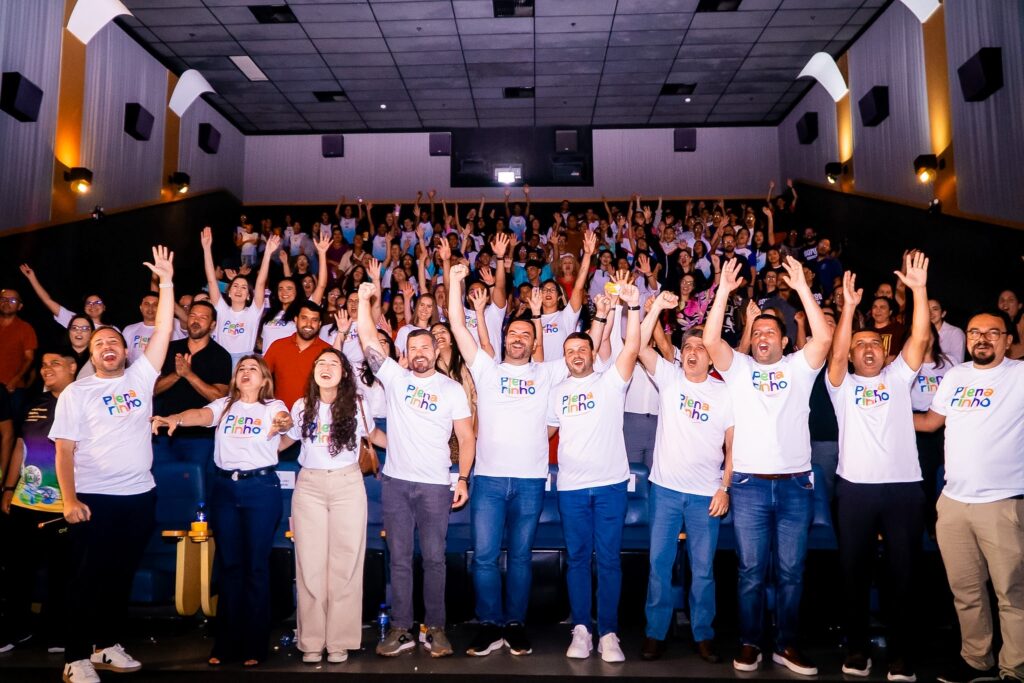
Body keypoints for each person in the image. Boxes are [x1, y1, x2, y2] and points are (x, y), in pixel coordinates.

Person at [49, 246, 176, 683]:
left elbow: (162, 331)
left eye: (114, 342)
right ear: (90, 354)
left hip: (139, 497)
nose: (107, 346)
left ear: (126, 351)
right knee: (86, 579)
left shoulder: (141, 376)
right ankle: (75, 657)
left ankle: (106, 646)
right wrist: (69, 500)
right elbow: (62, 451)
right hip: (93, 499)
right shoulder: (76, 394)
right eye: (100, 343)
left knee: (120, 576)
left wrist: (167, 282)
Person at [703, 255, 833, 676]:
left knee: (792, 572)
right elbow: (709, 343)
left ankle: (787, 645)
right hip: (749, 485)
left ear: (783, 339)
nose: (762, 337)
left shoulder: (799, 369)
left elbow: (825, 339)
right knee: (751, 572)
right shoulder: (738, 369)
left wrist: (801, 292)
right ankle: (749, 643)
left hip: (796, 485)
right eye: (757, 331)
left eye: (769, 332)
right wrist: (723, 290)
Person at [826, 253, 931, 681]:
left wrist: (919, 291)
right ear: (851, 355)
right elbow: (833, 357)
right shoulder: (842, 385)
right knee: (853, 572)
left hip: (904, 489)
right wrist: (848, 308)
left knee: (903, 573)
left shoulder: (898, 378)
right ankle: (856, 649)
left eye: (875, 344)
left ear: (884, 352)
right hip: (855, 490)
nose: (868, 349)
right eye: (859, 345)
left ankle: (901, 654)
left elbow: (920, 340)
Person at [356, 282, 474, 659]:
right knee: (400, 558)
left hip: (436, 485)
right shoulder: (395, 378)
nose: (420, 353)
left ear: (436, 350)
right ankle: (403, 628)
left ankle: (435, 627)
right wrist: (363, 301)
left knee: (436, 559)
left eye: (426, 347)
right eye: (413, 348)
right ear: (405, 354)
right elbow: (366, 338)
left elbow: (467, 439)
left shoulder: (452, 388)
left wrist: (463, 479)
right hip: (396, 483)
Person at [151, 355, 292, 667]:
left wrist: (284, 423)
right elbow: (200, 414)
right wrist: (176, 418)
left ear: (264, 379)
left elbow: (286, 419)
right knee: (229, 566)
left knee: (255, 567)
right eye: (241, 368)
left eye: (253, 369)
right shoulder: (224, 405)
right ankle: (226, 643)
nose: (245, 372)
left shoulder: (272, 406)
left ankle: (255, 645)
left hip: (260, 489)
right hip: (225, 489)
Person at [449, 263, 559, 657]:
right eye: (512, 333)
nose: (518, 339)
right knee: (484, 557)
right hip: (490, 481)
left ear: (533, 342)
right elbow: (459, 329)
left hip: (530, 481)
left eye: (525, 335)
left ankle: (514, 624)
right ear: (504, 338)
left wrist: (609, 311)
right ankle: (490, 624)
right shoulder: (487, 370)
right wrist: (454, 282)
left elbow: (589, 353)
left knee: (522, 559)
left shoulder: (547, 374)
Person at [915, 311, 1024, 683]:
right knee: (966, 591)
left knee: (1012, 593)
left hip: (1003, 503)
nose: (982, 339)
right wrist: (878, 411)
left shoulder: (1020, 375)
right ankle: (977, 660)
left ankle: (1016, 669)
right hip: (953, 504)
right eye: (976, 332)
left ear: (1008, 340)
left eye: (993, 333)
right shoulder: (956, 375)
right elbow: (930, 422)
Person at [546, 282, 641, 663]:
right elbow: (544, 433)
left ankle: (610, 633)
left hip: (610, 486)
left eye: (581, 349)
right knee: (578, 558)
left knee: (609, 559)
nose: (575, 356)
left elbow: (631, 348)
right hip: (570, 488)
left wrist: (632, 309)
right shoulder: (556, 392)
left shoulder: (611, 382)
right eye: (569, 352)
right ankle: (582, 629)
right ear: (565, 357)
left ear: (591, 352)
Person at [638, 292, 734, 664]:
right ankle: (654, 633)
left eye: (699, 346)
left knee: (704, 570)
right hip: (664, 491)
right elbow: (639, 345)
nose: (692, 352)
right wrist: (657, 309)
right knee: (659, 566)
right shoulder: (670, 377)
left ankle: (704, 635)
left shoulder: (725, 393)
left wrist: (725, 487)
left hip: (705, 495)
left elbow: (732, 446)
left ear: (711, 354)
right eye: (687, 346)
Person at [281, 348, 386, 664]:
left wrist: (414, 448)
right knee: (310, 565)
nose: (326, 367)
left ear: (344, 373)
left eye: (333, 363)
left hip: (347, 485)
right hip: (310, 486)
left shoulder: (357, 404)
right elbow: (283, 442)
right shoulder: (301, 406)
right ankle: (312, 640)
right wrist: (256, 439)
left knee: (345, 565)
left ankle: (339, 640)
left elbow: (376, 435)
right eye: (321, 363)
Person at [0, 350, 76, 654]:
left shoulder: (84, 402)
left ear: (73, 368)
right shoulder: (35, 402)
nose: (46, 369)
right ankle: (14, 630)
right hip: (24, 502)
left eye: (54, 364)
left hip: (62, 506)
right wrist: (8, 488)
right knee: (17, 571)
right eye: (43, 365)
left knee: (61, 574)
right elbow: (20, 444)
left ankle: (56, 633)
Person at [153, 300, 231, 465]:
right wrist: (176, 375)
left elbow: (218, 396)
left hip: (200, 437)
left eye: (203, 317)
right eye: (193, 316)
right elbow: (152, 389)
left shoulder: (221, 356)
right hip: (163, 432)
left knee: (196, 487)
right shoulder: (169, 349)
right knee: (163, 485)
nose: (196, 320)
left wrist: (189, 375)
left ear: (212, 325)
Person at [201, 227, 277, 367]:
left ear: (249, 296)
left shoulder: (253, 312)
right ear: (229, 292)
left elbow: (260, 283)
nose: (238, 290)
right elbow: (212, 280)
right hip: (221, 359)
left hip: (245, 361)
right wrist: (206, 249)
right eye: (235, 286)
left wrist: (267, 253)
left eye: (244, 288)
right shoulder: (222, 310)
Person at [537, 231, 595, 360]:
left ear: (559, 296)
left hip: (562, 373)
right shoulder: (533, 320)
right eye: (545, 290)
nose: (548, 292)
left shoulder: (566, 315)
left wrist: (587, 255)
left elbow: (579, 287)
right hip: (539, 374)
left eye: (552, 290)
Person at [263, 301, 330, 409]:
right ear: (295, 319)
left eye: (314, 320)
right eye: (304, 318)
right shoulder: (278, 346)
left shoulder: (327, 351)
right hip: (280, 414)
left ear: (320, 324)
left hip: (313, 416)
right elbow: (261, 377)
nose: (309, 324)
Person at [0, 287, 37, 416]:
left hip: (12, 389)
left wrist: (14, 381)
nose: (6, 302)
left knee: (11, 430)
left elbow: (29, 358)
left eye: (12, 300)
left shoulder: (25, 328)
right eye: (3, 299)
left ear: (20, 306)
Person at [928, 298, 965, 363]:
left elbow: (958, 361)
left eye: (935, 309)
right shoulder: (917, 333)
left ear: (943, 313)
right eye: (926, 309)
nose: (930, 313)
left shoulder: (955, 332)